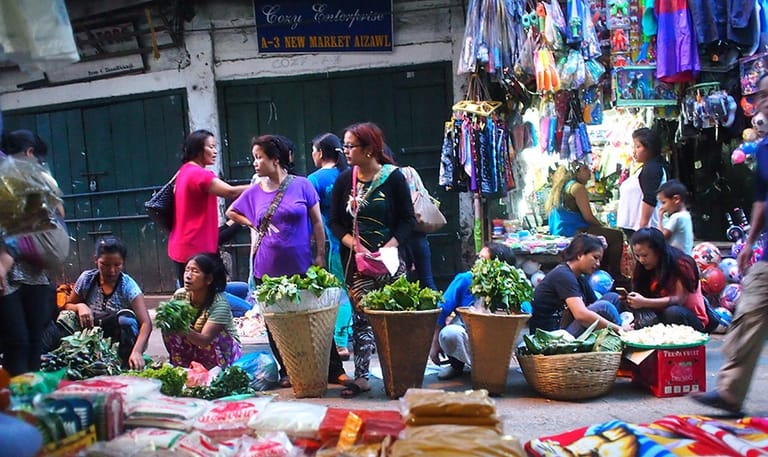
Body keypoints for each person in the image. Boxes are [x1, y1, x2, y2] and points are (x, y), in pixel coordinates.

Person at [226, 134, 350, 388]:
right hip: (266, 271)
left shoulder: (302, 185)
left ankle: (332, 369)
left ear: (275, 159)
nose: (255, 164)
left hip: (302, 267)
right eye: (254, 158)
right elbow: (232, 211)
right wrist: (252, 223)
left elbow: (317, 222)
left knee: (315, 320)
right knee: (276, 325)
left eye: (259, 158)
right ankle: (287, 369)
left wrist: (319, 254)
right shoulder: (254, 191)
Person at [691, 73, 768, 415]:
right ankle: (730, 392)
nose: (763, 102)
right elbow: (763, 199)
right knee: (748, 312)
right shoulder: (764, 149)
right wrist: (750, 242)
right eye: (761, 95)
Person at [329, 122, 416, 398]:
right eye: (344, 146)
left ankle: (399, 372)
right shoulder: (345, 180)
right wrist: (356, 246)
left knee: (396, 318)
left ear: (369, 149)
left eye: (350, 146)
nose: (345, 151)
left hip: (390, 261)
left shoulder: (394, 178)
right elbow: (334, 222)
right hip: (358, 263)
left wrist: (389, 246)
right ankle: (362, 376)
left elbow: (407, 220)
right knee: (361, 318)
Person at [0, 130, 61, 376]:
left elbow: (57, 215)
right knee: (19, 341)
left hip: (35, 273)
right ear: (28, 153)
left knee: (33, 340)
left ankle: (29, 397)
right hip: (8, 274)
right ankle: (15, 400)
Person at [168, 130, 248, 287]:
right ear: (198, 149)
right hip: (196, 249)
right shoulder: (200, 175)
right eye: (211, 147)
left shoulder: (184, 171)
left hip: (182, 245)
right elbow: (230, 192)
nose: (215, 151)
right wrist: (260, 186)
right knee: (213, 297)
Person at [59, 236, 152, 370]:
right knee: (66, 316)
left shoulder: (128, 286)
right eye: (105, 265)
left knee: (127, 320)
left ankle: (125, 361)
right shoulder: (87, 279)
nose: (112, 270)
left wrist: (137, 352)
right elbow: (67, 305)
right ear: (95, 260)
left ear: (123, 263)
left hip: (118, 339)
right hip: (91, 335)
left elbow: (146, 323)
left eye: (117, 265)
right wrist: (80, 306)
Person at [428, 242, 516, 380]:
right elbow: (442, 310)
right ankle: (457, 365)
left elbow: (526, 310)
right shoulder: (465, 279)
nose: (477, 264)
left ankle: (492, 367)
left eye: (483, 260)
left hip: (497, 338)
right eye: (478, 258)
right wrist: (434, 344)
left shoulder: (511, 284)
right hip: (467, 334)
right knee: (450, 334)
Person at [307, 132, 353, 361]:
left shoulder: (315, 180)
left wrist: (315, 251)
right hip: (361, 244)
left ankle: (341, 342)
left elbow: (310, 218)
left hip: (337, 245)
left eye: (314, 151)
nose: (312, 155)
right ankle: (354, 336)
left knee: (341, 294)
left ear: (321, 153)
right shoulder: (350, 174)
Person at [530, 234, 625, 336]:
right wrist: (619, 329)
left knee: (613, 297)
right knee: (604, 306)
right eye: (595, 258)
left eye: (599, 260)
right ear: (579, 255)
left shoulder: (579, 278)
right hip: (551, 335)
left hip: (567, 325)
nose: (598, 264)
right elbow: (581, 315)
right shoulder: (563, 275)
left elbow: (594, 304)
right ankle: (625, 334)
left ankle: (623, 327)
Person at [546, 161, 624, 280]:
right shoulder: (577, 187)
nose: (590, 172)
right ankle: (614, 275)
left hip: (559, 231)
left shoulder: (562, 186)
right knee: (616, 235)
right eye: (586, 169)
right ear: (577, 171)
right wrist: (603, 226)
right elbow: (588, 217)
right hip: (574, 231)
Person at [162, 253, 241, 370]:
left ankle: (217, 370)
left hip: (223, 351)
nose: (188, 276)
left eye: (195, 271)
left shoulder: (219, 304)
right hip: (195, 345)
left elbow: (204, 340)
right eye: (187, 270)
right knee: (169, 326)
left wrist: (183, 327)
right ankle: (182, 367)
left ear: (208, 279)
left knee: (215, 336)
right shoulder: (180, 296)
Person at [626, 228, 708, 332]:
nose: (641, 260)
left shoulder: (681, 264)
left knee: (672, 312)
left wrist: (644, 302)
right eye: (637, 256)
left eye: (645, 255)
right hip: (660, 317)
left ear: (658, 251)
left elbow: (679, 299)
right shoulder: (643, 267)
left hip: (688, 319)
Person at [617, 128, 668, 237]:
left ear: (649, 148)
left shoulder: (652, 169)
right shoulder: (648, 167)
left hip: (645, 229)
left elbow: (649, 199)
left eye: (638, 147)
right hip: (637, 228)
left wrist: (642, 227)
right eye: (634, 146)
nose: (634, 151)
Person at [399, 165, 439, 291]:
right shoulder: (412, 175)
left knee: (403, 281)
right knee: (427, 280)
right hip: (420, 239)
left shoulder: (400, 191)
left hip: (403, 239)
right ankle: (438, 308)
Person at [656, 179, 693, 255]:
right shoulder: (686, 215)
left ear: (676, 199)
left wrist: (660, 218)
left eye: (664, 203)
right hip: (686, 257)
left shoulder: (676, 217)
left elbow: (661, 237)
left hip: (676, 259)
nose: (662, 207)